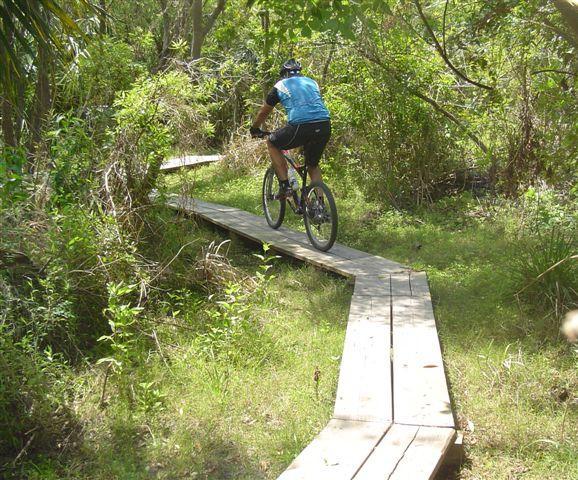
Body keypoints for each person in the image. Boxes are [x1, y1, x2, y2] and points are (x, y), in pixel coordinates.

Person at [250, 59, 331, 197]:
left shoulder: (280, 85)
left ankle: (285, 186)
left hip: (300, 125)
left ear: (284, 74)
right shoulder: (312, 82)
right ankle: (320, 207)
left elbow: (264, 112)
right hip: (324, 124)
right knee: (313, 164)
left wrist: (255, 128)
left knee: (272, 142)